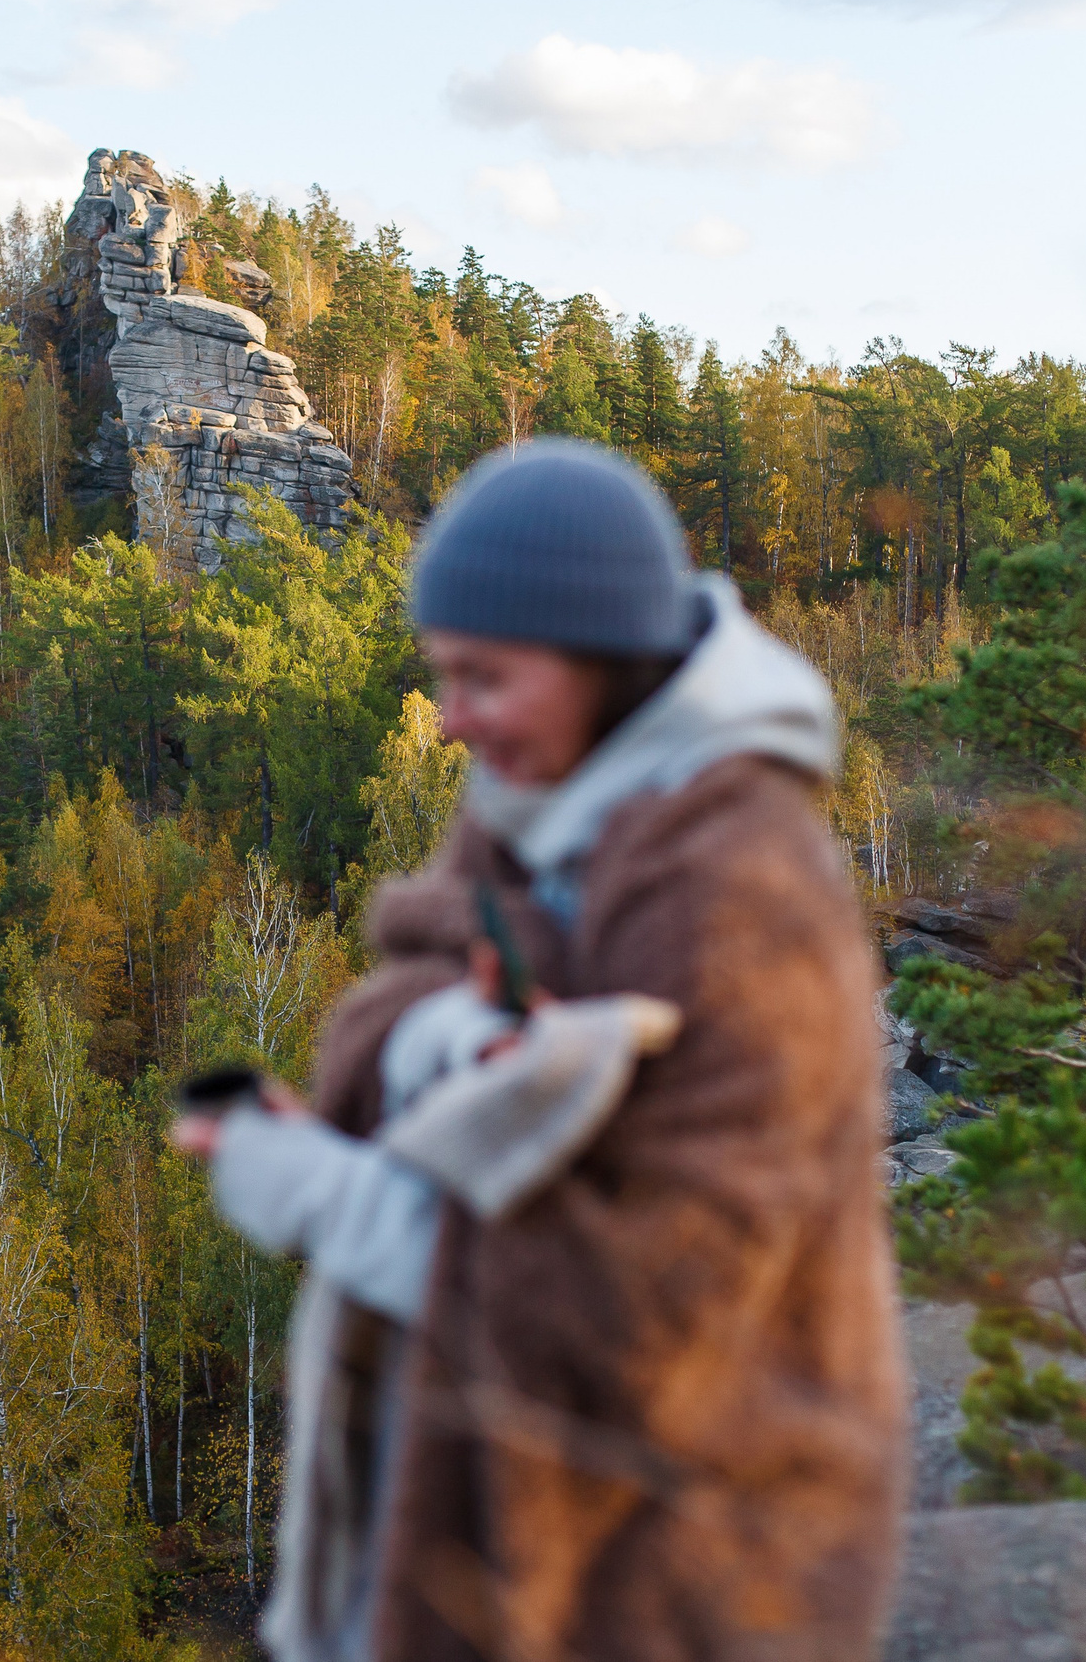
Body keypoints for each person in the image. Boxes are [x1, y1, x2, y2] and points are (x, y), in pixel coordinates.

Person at [181, 439, 906, 1662]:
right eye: (442, 676)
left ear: (601, 661)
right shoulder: (547, 797)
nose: (451, 721)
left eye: (485, 679)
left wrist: (332, 1201)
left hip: (696, 1552)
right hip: (507, 1498)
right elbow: (388, 991)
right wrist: (445, 1043)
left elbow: (663, 1303)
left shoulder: (742, 886)